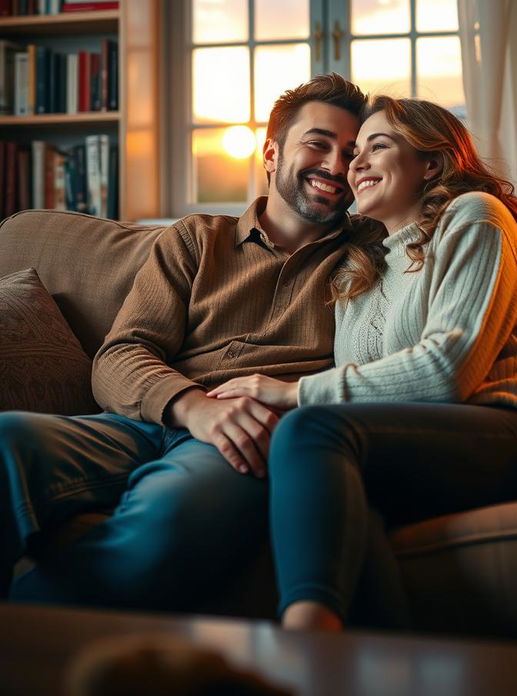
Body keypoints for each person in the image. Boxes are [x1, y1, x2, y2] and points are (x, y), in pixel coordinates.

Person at [0, 74, 371, 611]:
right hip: (142, 422)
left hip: (243, 441)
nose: (336, 166)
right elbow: (120, 354)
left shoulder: (371, 254)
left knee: (171, 519)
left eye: (351, 152)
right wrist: (191, 405)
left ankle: (28, 636)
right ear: (272, 152)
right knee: (8, 437)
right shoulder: (197, 238)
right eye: (318, 143)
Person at [211, 95, 517, 632]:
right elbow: (366, 394)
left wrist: (287, 390)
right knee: (352, 513)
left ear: (432, 164)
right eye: (356, 155)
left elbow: (448, 373)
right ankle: (369, 668)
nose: (355, 165)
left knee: (311, 430)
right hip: (414, 444)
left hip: (504, 435)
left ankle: (304, 637)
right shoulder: (360, 268)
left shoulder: (473, 218)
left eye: (378, 146)